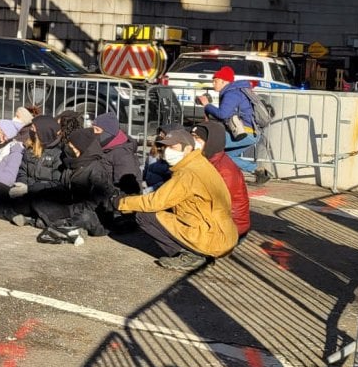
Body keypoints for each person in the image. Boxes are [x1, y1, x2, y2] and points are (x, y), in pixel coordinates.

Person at [117, 128, 238, 271]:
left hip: (210, 237)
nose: (167, 151)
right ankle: (201, 253)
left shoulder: (187, 173)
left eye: (173, 147)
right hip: (222, 233)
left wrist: (121, 203)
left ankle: (191, 256)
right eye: (166, 146)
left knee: (144, 216)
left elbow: (155, 202)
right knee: (162, 209)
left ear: (187, 149)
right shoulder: (199, 163)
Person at [199, 66, 271, 184]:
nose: (213, 83)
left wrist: (207, 105)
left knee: (208, 146)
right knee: (225, 156)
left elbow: (222, 114)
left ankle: (202, 177)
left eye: (215, 81)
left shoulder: (231, 94)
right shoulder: (235, 91)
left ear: (224, 81)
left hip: (245, 133)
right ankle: (259, 171)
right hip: (250, 133)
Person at [192, 122, 251, 240]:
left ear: (211, 141)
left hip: (230, 228)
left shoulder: (225, 170)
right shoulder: (206, 160)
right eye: (192, 137)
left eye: (197, 138)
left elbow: (220, 204)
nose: (193, 142)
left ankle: (197, 252)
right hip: (217, 220)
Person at [91, 112, 143, 194]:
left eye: (97, 130)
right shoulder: (105, 147)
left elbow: (127, 188)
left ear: (108, 133)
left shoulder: (122, 154)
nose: (93, 133)